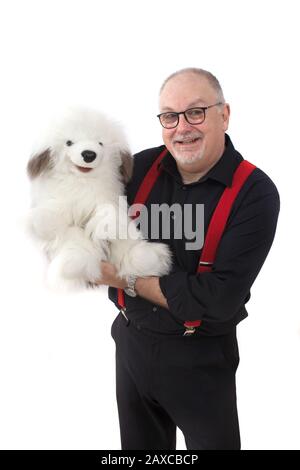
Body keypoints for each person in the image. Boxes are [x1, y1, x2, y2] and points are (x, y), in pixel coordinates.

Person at [96, 68, 280, 450]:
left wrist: (124, 278)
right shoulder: (139, 168)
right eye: (170, 116)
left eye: (196, 112)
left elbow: (217, 298)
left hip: (200, 360)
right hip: (131, 343)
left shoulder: (255, 193)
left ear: (224, 115)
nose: (182, 128)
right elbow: (83, 222)